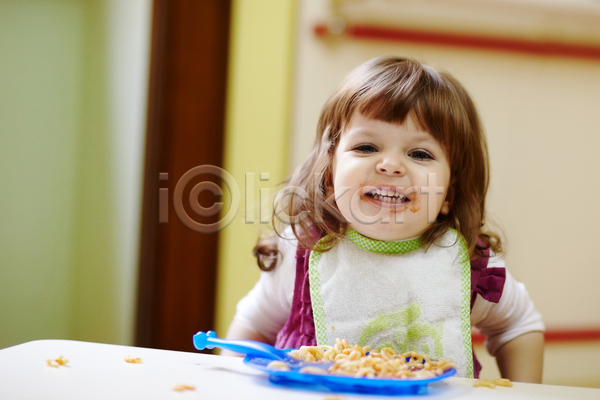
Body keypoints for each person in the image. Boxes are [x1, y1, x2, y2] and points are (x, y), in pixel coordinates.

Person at [224, 56, 544, 382]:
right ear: (329, 175)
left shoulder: (469, 263)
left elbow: (519, 325)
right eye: (366, 147)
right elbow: (253, 326)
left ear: (449, 193)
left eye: (420, 154)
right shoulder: (302, 250)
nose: (390, 165)